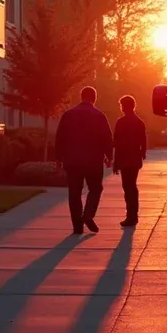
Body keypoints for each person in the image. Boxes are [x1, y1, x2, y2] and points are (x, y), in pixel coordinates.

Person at [55, 85, 113, 234]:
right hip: (93, 160)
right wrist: (109, 156)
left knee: (74, 192)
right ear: (94, 98)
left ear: (81, 97)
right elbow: (107, 137)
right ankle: (88, 214)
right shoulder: (99, 115)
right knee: (95, 189)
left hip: (72, 160)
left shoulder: (68, 115)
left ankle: (77, 226)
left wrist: (58, 158)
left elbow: (60, 137)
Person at [112, 94, 148, 227]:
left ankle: (131, 216)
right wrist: (142, 154)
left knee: (128, 187)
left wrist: (115, 162)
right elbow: (143, 141)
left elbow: (116, 143)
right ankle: (133, 215)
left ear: (124, 107)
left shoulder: (121, 122)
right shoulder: (139, 122)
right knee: (132, 186)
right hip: (134, 159)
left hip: (124, 158)